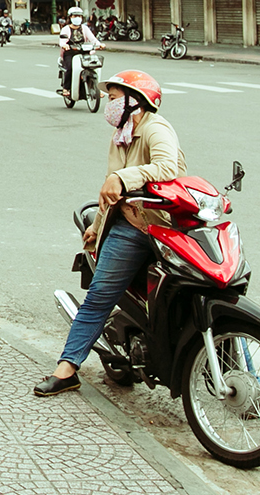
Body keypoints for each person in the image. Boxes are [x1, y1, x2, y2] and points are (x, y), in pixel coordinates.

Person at [36, 70, 183, 396]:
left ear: (136, 101)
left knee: (211, 290)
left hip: (169, 229)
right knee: (100, 296)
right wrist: (97, 227)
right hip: (131, 228)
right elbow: (110, 194)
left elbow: (166, 167)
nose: (109, 104)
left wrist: (124, 178)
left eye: (115, 98)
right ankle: (67, 368)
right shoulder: (121, 136)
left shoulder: (156, 128)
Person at [57, 6, 100, 98]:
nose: (77, 18)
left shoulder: (84, 28)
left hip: (84, 52)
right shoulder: (66, 29)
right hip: (70, 53)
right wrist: (65, 45)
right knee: (70, 68)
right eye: (75, 16)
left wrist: (99, 44)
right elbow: (62, 41)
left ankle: (96, 88)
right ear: (70, 17)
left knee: (94, 66)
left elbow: (93, 39)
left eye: (79, 16)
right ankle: (66, 88)